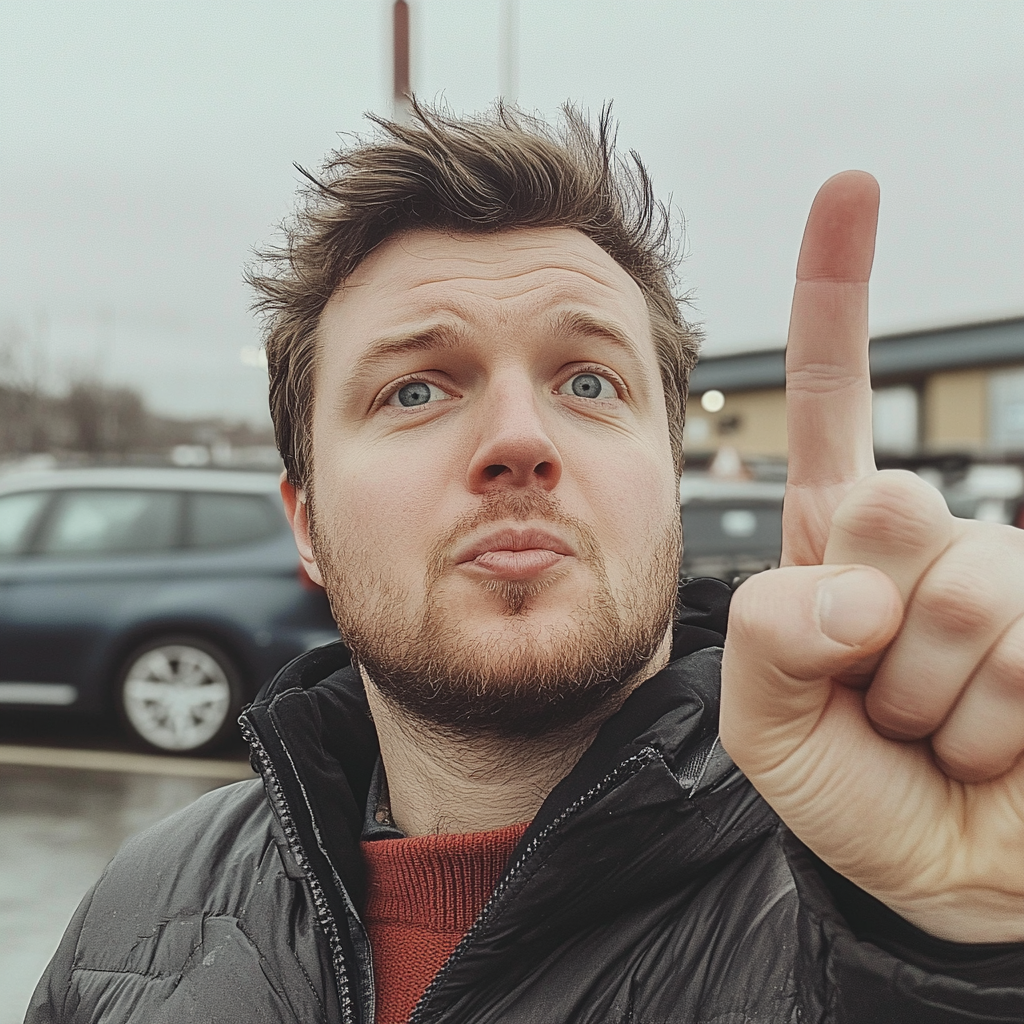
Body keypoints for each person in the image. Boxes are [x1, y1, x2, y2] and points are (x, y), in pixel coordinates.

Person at [28, 103, 1024, 1024]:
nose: (517, 438)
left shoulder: (873, 902)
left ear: (669, 482)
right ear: (308, 526)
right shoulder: (142, 909)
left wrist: (962, 952)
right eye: (415, 391)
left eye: (587, 380)